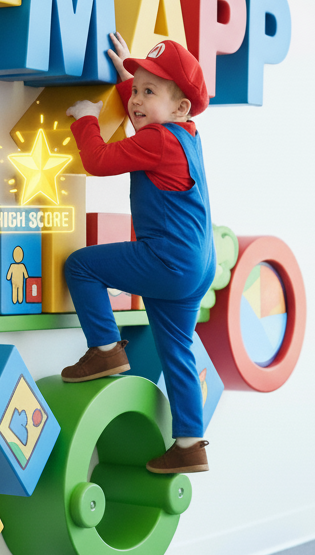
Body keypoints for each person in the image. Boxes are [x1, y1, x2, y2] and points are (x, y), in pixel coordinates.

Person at [61, 32, 216, 474]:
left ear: (180, 108)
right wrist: (129, 75)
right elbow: (149, 110)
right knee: (178, 351)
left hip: (168, 258)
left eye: (149, 92)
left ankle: (106, 348)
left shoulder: (159, 140)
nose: (135, 101)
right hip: (198, 264)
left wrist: (87, 119)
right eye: (137, 90)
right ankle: (189, 443)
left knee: (82, 267)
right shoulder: (186, 135)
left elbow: (98, 160)